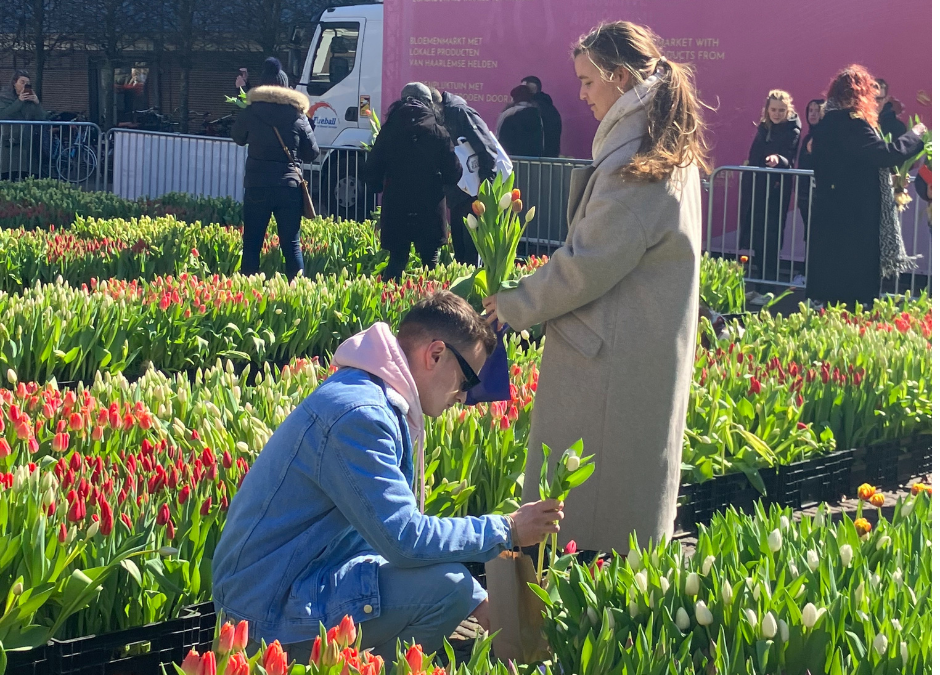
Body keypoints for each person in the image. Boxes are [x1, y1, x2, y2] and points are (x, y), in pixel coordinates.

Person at [212, 291, 565, 662]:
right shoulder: (360, 416)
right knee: (449, 590)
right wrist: (506, 529)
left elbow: (379, 537)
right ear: (436, 354)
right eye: (466, 380)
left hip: (291, 583)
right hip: (263, 614)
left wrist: (481, 602)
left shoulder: (374, 395)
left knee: (458, 589)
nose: (464, 396)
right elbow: (404, 540)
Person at [483, 21, 708, 553]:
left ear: (621, 77)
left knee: (591, 527)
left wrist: (514, 303)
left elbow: (587, 264)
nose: (581, 94)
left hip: (612, 360)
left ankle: (583, 621)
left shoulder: (638, 160)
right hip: (630, 347)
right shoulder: (656, 141)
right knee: (615, 510)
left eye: (588, 81)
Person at [806, 65, 926, 308]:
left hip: (831, 211)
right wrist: (915, 135)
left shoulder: (827, 121)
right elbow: (884, 154)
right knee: (856, 291)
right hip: (854, 216)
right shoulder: (852, 122)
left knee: (832, 290)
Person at [364, 83, 462, 281]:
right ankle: (433, 307)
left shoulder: (389, 130)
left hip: (396, 202)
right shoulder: (438, 132)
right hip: (430, 202)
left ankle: (389, 307)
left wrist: (377, 185)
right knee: (430, 262)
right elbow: (454, 172)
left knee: (397, 260)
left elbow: (371, 168)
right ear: (428, 103)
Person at [231, 57, 318, 280]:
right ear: (286, 87)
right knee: (292, 244)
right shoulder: (297, 114)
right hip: (289, 187)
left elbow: (238, 138)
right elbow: (312, 152)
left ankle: (248, 291)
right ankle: (297, 291)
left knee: (252, 243)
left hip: (257, 185)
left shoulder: (251, 112)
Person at [430, 86, 501, 265]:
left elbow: (488, 150)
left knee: (472, 250)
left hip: (472, 192)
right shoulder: (446, 114)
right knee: (461, 251)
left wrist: (484, 187)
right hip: (458, 192)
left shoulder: (460, 113)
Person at [737, 90, 801, 282]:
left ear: (788, 110)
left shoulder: (792, 130)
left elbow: (789, 158)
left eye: (781, 110)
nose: (777, 114)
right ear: (767, 109)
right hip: (757, 188)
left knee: (770, 238)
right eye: (773, 109)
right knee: (757, 237)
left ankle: (768, 285)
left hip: (775, 190)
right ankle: (759, 284)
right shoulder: (764, 127)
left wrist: (778, 159)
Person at [0, 70, 49, 180]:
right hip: (10, 141)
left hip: (28, 142)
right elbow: (3, 114)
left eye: (27, 83)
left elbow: (42, 117)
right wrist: (19, 101)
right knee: (9, 173)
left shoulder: (30, 101)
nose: (24, 85)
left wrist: (37, 103)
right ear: (14, 83)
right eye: (22, 82)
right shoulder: (4, 98)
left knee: (28, 173)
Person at [796, 98, 825, 244]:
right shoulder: (808, 136)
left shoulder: (826, 136)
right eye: (810, 110)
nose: (813, 114)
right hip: (804, 195)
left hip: (818, 195)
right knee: (809, 234)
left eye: (817, 111)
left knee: (818, 236)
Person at [495, 85, 544, 157]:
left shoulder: (508, 114)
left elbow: (500, 136)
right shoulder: (536, 114)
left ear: (514, 98)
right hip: (533, 159)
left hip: (511, 158)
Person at [522, 76, 562, 157]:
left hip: (534, 159)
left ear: (533, 88)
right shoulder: (552, 109)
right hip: (551, 158)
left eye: (523, 88)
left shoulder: (532, 110)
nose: (520, 92)